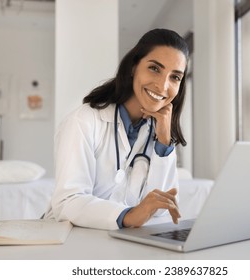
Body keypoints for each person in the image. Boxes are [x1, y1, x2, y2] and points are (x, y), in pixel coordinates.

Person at [44, 29, 189, 230]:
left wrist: (164, 142)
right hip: (72, 241)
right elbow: (67, 201)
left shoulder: (158, 132)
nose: (163, 86)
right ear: (133, 67)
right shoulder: (84, 121)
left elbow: (163, 208)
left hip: (123, 244)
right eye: (155, 68)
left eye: (175, 77)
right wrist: (127, 215)